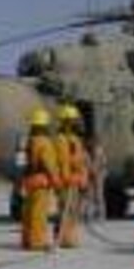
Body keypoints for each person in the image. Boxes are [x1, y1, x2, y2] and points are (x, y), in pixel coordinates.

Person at [19, 108, 61, 252]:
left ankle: (26, 240)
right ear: (44, 126)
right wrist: (56, 182)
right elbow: (49, 165)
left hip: (29, 181)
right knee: (39, 214)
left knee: (28, 213)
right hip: (41, 181)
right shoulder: (45, 143)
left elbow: (21, 163)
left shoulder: (27, 142)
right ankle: (37, 242)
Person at [54, 104, 89, 249]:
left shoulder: (75, 139)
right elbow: (63, 163)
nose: (76, 122)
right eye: (72, 120)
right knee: (66, 212)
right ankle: (64, 239)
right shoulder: (61, 140)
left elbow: (81, 160)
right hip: (67, 183)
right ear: (66, 122)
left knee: (74, 213)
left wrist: (83, 178)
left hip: (76, 181)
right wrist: (67, 178)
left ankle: (70, 238)